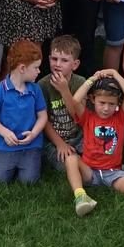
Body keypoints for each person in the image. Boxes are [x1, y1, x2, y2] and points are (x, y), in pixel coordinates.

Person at [63, 70, 124, 215]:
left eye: (111, 104)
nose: (106, 108)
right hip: (89, 171)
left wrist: (114, 73)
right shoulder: (87, 117)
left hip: (112, 172)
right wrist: (93, 79)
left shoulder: (120, 118)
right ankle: (80, 196)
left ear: (118, 103)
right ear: (93, 99)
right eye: (102, 103)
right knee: (70, 159)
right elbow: (75, 100)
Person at [0, 39, 49, 185]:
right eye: (36, 68)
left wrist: (33, 133)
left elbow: (42, 115)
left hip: (31, 145)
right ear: (22, 68)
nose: (39, 71)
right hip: (7, 146)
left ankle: (35, 159)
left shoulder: (35, 90)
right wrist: (5, 133)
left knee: (29, 181)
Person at [38, 35, 88, 175]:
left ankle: (83, 162)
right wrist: (60, 144)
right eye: (54, 59)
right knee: (64, 166)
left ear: (75, 64)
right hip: (53, 140)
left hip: (78, 136)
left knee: (98, 151)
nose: (57, 64)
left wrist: (65, 91)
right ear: (48, 59)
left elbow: (80, 117)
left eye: (64, 60)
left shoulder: (80, 82)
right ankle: (78, 163)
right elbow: (44, 121)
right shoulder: (42, 85)